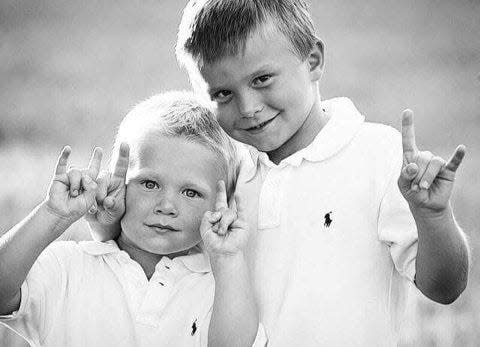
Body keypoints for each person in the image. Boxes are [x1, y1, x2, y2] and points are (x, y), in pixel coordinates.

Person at [90, 0, 470, 345]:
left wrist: (432, 215)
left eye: (262, 79)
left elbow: (445, 287)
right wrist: (106, 226)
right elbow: (162, 245)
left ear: (313, 60)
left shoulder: (377, 156)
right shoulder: (221, 166)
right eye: (223, 94)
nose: (249, 107)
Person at [0, 91, 264, 347]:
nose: (167, 206)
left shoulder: (221, 288)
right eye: (150, 184)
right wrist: (53, 214)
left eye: (191, 192)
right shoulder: (69, 267)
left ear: (222, 203)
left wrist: (228, 258)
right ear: (116, 183)